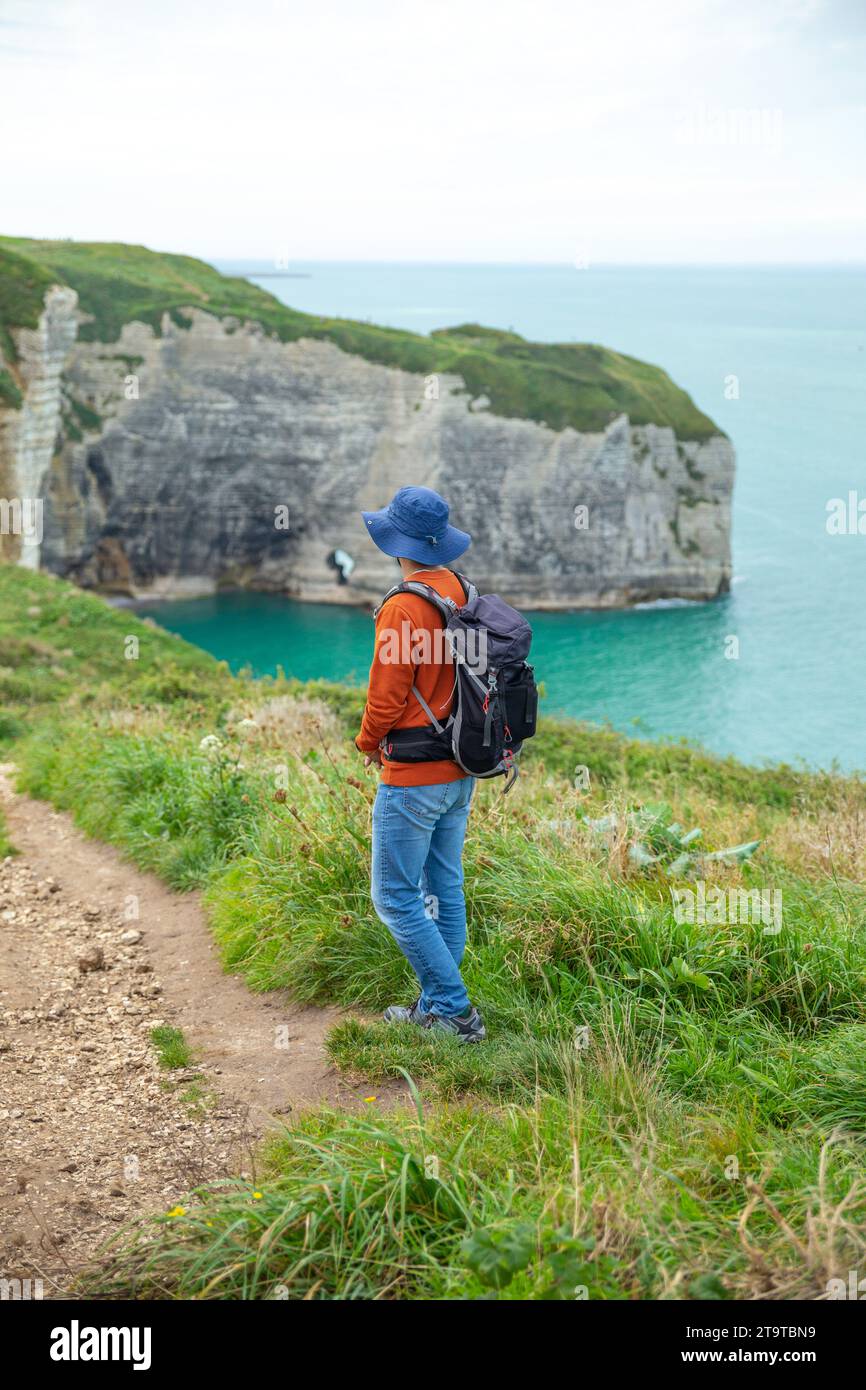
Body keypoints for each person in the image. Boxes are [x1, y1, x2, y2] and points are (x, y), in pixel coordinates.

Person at [354, 485, 486, 1042]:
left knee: (395, 896)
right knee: (443, 887)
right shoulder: (460, 589)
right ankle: (435, 1007)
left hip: (413, 777)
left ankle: (455, 1013)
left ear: (397, 543)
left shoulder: (403, 607)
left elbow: (386, 698)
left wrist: (366, 744)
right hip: (461, 769)